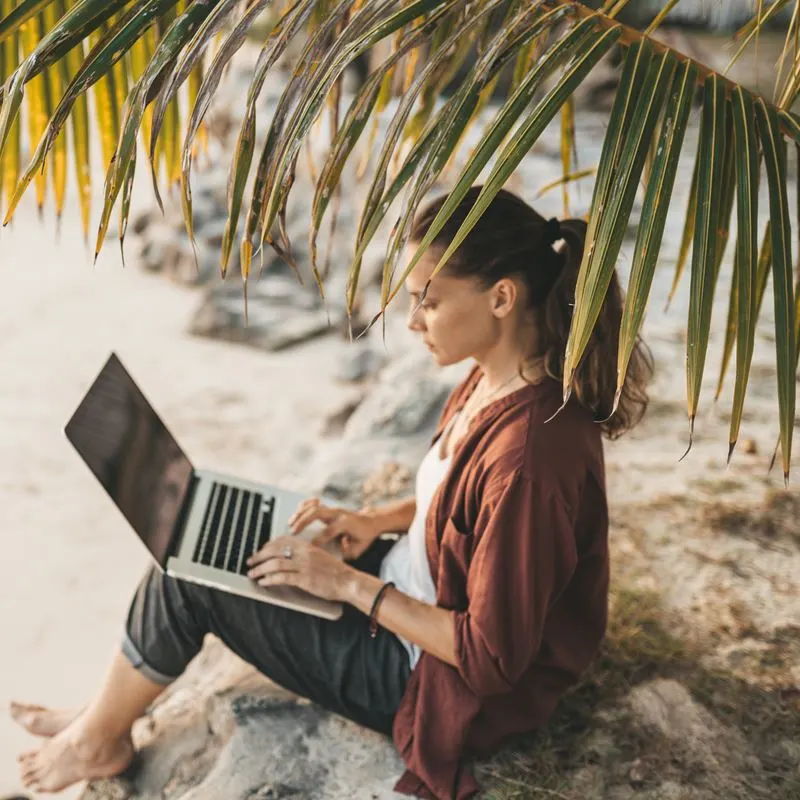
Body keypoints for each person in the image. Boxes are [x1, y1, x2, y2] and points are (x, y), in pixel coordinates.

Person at [12, 185, 652, 799]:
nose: (409, 321)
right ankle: (103, 712)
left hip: (430, 680)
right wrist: (377, 520)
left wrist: (346, 584)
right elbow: (465, 504)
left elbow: (489, 659)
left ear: (502, 298)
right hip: (413, 589)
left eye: (427, 301)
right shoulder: (497, 378)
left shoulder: (530, 462)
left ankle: (98, 740)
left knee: (189, 574)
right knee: (209, 539)